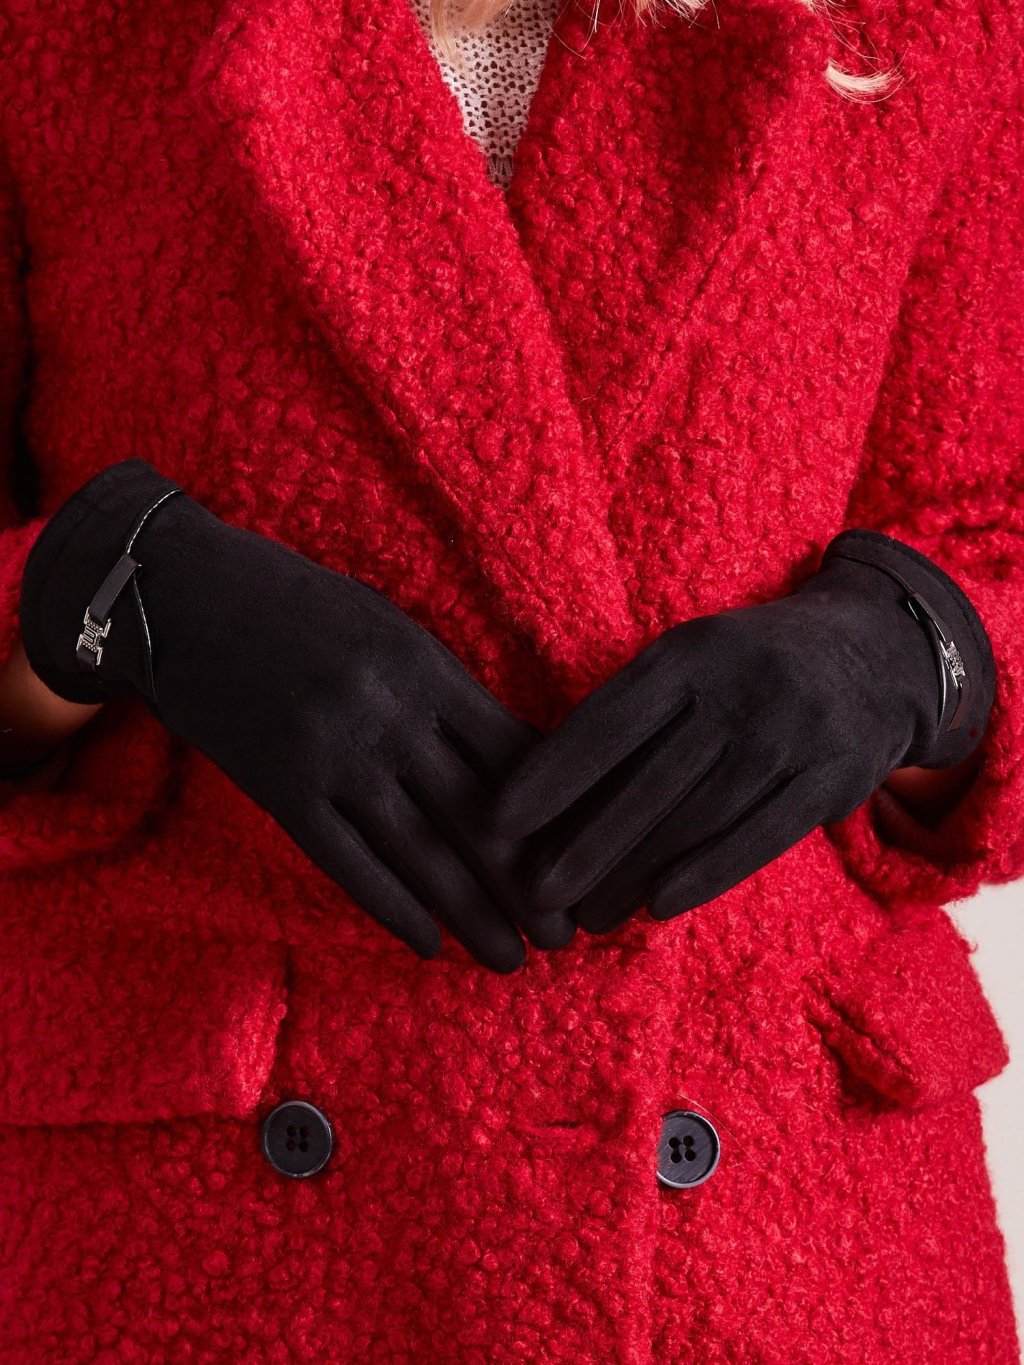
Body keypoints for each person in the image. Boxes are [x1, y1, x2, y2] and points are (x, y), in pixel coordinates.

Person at [0, 0, 1020, 1356]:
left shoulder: (927, 23)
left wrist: (914, 649)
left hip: (784, 1223)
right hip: (203, 1235)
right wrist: (110, 589)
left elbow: (996, 527)